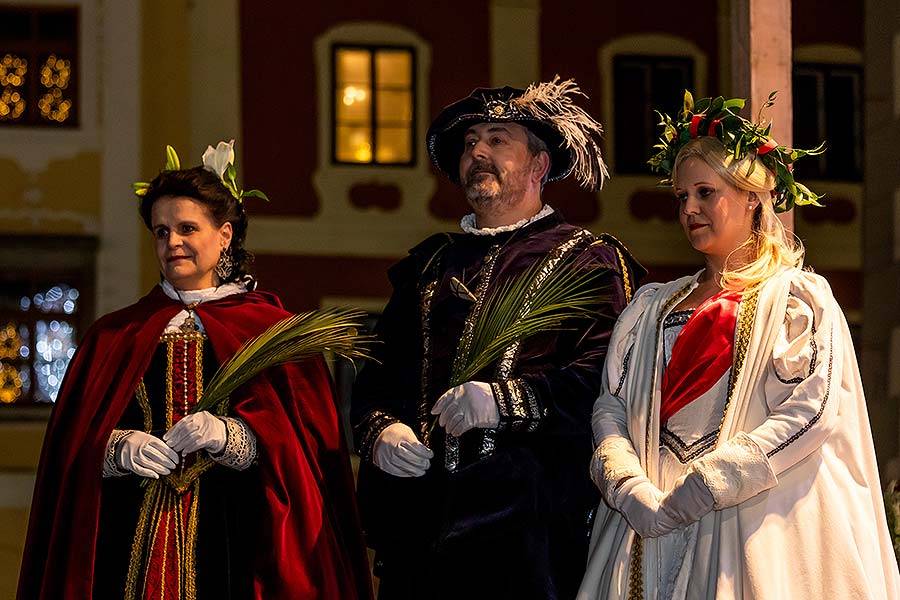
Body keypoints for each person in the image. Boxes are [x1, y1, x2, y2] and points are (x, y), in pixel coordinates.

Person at [17, 141, 373, 600]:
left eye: (187, 228)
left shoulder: (274, 334)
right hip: (126, 541)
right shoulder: (115, 334)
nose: (172, 243)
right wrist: (117, 447)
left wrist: (235, 438)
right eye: (161, 232)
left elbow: (306, 456)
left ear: (224, 234)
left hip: (235, 540)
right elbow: (70, 448)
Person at [578, 93, 900, 599]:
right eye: (681, 198)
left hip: (751, 520)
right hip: (646, 521)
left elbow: (812, 410)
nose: (690, 209)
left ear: (752, 196)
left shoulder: (795, 298)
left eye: (705, 192)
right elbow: (611, 406)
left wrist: (710, 484)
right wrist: (627, 486)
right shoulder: (651, 307)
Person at [351, 77, 644, 600]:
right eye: (469, 144)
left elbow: (605, 383)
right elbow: (377, 376)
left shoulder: (586, 260)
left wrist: (505, 402)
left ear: (539, 166)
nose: (478, 152)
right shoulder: (429, 265)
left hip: (531, 537)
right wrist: (380, 432)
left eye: (497, 138)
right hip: (423, 533)